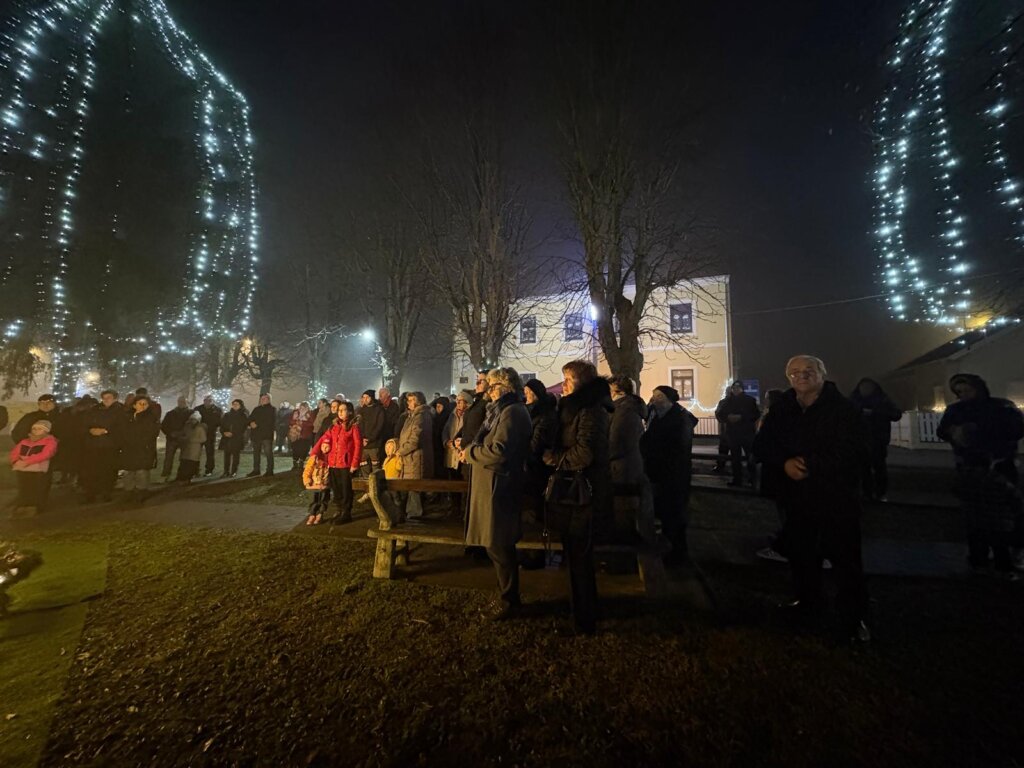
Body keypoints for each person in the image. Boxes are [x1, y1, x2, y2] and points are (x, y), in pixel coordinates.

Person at [753, 355, 870, 644]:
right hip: (795, 497)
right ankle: (808, 604)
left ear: (822, 374)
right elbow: (763, 445)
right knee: (802, 554)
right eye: (794, 372)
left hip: (835, 495)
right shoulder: (783, 408)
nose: (801, 376)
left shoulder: (843, 409)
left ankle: (852, 618)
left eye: (808, 370)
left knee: (845, 558)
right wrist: (784, 463)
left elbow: (856, 451)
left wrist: (811, 465)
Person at [542, 360, 611, 636]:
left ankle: (584, 619)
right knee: (574, 556)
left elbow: (585, 453)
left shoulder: (591, 411)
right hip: (573, 494)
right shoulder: (574, 409)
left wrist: (554, 458)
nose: (564, 384)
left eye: (569, 379)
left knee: (580, 558)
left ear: (582, 383)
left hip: (584, 495)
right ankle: (580, 611)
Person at [937, 373, 1024, 578]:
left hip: (999, 467)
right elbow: (942, 431)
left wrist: (981, 430)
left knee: (1002, 516)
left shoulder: (1001, 407)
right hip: (970, 469)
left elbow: (1017, 429)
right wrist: (954, 432)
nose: (964, 394)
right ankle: (979, 559)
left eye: (967, 390)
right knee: (974, 517)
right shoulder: (956, 410)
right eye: (959, 391)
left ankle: (1004, 560)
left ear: (978, 388)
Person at [463, 368, 532, 621]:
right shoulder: (500, 411)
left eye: (492, 386)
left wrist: (470, 453)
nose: (489, 391)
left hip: (499, 487)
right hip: (491, 485)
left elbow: (499, 451)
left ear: (505, 386)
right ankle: (505, 595)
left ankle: (509, 599)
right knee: (495, 545)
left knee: (499, 544)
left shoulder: (512, 412)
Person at [640, 385, 698, 567]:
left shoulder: (680, 419)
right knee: (666, 513)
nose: (654, 399)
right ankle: (670, 548)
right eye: (653, 396)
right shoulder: (657, 415)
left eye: (659, 396)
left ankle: (677, 554)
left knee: (674, 513)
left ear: (669, 399)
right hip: (660, 472)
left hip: (673, 474)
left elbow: (678, 448)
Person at [848, 378, 903, 502]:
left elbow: (896, 414)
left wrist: (876, 413)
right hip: (860, 441)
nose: (865, 390)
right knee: (863, 469)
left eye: (868, 387)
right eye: (863, 387)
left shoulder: (883, 400)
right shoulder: (854, 401)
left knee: (879, 468)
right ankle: (867, 493)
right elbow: (844, 416)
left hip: (878, 440)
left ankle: (880, 493)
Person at [755, 389, 791, 563]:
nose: (765, 401)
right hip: (780, 466)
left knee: (786, 506)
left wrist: (759, 453)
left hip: (779, 467)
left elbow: (765, 439)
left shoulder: (777, 416)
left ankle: (787, 544)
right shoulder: (784, 414)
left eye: (767, 398)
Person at [312, 401, 362, 524]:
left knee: (345, 490)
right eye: (339, 410)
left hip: (346, 464)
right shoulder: (334, 426)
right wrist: (325, 444)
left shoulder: (353, 427)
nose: (340, 412)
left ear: (349, 412)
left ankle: (346, 512)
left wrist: (354, 463)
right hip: (333, 463)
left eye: (343, 410)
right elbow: (326, 436)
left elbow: (358, 445)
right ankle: (339, 510)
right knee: (336, 489)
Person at [80, 389, 126, 503]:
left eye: (109, 398)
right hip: (93, 445)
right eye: (104, 398)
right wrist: (90, 430)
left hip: (110, 446)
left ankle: (106, 492)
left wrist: (106, 431)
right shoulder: (94, 410)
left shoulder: (121, 411)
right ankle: (91, 492)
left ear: (115, 398)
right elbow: (85, 424)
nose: (106, 400)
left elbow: (122, 427)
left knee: (108, 470)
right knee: (92, 470)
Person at [715, 381, 761, 488]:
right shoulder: (727, 401)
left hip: (747, 433)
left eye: (738, 387)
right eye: (734, 388)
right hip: (733, 434)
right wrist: (727, 417)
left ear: (742, 389)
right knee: (735, 458)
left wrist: (741, 417)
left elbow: (755, 414)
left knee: (750, 457)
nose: (735, 389)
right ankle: (737, 480)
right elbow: (720, 414)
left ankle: (753, 479)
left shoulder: (749, 400)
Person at [397, 391, 434, 520]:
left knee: (414, 488)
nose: (408, 403)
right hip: (410, 458)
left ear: (418, 401)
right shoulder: (413, 416)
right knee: (411, 488)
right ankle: (411, 513)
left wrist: (401, 451)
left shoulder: (420, 417)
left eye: (411, 400)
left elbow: (414, 440)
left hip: (415, 458)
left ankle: (415, 515)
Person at [8, 420, 58, 514]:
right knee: (24, 486)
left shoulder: (50, 441)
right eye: (34, 428)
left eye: (39, 429)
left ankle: (37, 505)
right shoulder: (24, 441)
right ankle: (24, 503)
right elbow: (15, 452)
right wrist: (15, 461)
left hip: (38, 469)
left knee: (37, 487)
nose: (36, 431)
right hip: (22, 468)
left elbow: (46, 454)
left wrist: (27, 461)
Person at [121, 395, 160, 503]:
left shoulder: (151, 418)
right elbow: (122, 431)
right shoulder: (127, 417)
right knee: (128, 471)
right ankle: (128, 490)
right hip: (129, 448)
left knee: (141, 471)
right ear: (134, 405)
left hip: (143, 448)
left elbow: (152, 432)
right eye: (140, 404)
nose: (142, 406)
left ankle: (141, 491)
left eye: (145, 404)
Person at [442, 390, 473, 516]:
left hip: (462, 455)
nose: (458, 404)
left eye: (460, 401)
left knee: (463, 483)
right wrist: (446, 441)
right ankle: (454, 508)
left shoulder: (470, 415)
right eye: (457, 401)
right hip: (452, 454)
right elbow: (446, 430)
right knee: (452, 482)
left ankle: (464, 509)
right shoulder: (452, 415)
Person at [160, 397, 192, 481]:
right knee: (169, 458)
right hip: (172, 438)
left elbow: (193, 426)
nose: (181, 403)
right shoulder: (170, 414)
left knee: (184, 458)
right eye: (180, 401)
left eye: (183, 401)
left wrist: (185, 434)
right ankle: (166, 474)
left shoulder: (191, 413)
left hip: (184, 438)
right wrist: (170, 433)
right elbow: (164, 425)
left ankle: (182, 475)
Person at [247, 393, 277, 477]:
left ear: (269, 399)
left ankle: (269, 470)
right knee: (256, 453)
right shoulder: (256, 409)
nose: (262, 400)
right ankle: (256, 470)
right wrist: (250, 423)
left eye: (264, 398)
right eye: (261, 398)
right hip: (256, 435)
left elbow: (269, 421)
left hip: (266, 435)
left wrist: (257, 423)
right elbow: (250, 418)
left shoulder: (272, 409)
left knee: (268, 453)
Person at [357, 390, 386, 472]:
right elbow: (359, 425)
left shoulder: (379, 409)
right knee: (364, 466)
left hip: (374, 444)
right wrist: (362, 438)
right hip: (363, 444)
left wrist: (370, 439)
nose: (365, 399)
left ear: (372, 398)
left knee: (375, 468)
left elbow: (379, 426)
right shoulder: (361, 410)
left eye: (367, 397)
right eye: (364, 397)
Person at [194, 396, 223, 477]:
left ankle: (209, 470)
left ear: (212, 401)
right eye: (206, 400)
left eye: (209, 400)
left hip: (210, 434)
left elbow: (220, 421)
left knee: (210, 453)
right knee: (196, 453)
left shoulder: (217, 410)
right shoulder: (198, 409)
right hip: (199, 434)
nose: (207, 402)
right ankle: (195, 470)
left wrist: (213, 427)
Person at [219, 399, 248, 478]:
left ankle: (234, 471)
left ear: (240, 406)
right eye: (234, 404)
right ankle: (226, 471)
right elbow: (222, 425)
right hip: (227, 438)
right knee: (226, 455)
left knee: (235, 456)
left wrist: (233, 433)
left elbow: (243, 428)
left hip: (237, 438)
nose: (235, 405)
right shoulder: (227, 415)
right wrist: (224, 432)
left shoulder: (243, 416)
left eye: (237, 404)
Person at [176, 411, 207, 483]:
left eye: (194, 420)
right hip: (186, 448)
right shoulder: (187, 427)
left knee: (191, 463)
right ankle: (182, 477)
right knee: (184, 463)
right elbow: (183, 434)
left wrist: (193, 440)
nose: (193, 421)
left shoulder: (200, 428)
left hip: (195, 449)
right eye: (192, 419)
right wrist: (182, 438)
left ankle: (189, 477)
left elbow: (203, 439)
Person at [429, 396, 452, 479]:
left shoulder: (448, 417)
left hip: (443, 447)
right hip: (436, 446)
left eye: (439, 406)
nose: (437, 408)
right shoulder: (436, 417)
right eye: (436, 406)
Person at [289, 402, 315, 469]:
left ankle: (301, 461)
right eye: (301, 408)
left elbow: (312, 423)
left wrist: (302, 423)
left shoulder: (310, 414)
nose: (302, 409)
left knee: (304, 449)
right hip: (296, 434)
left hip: (305, 435)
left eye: (304, 408)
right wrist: (296, 422)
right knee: (295, 448)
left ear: (307, 408)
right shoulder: (296, 412)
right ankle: (295, 462)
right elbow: (291, 421)